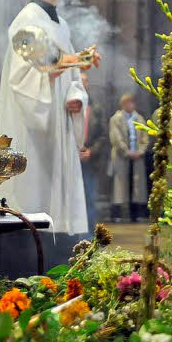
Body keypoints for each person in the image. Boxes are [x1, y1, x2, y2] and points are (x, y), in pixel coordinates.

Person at [0, 0, 101, 277]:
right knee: (32, 205)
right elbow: (27, 78)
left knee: (58, 215)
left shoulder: (61, 25)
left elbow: (67, 76)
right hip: (32, 138)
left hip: (58, 136)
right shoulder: (26, 22)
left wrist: (76, 96)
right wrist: (70, 64)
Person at [108, 93, 150, 223]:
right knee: (120, 186)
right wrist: (126, 151)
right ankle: (117, 214)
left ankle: (135, 214)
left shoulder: (139, 118)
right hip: (122, 157)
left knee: (136, 186)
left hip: (137, 157)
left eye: (132, 102)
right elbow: (116, 137)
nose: (130, 105)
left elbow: (145, 137)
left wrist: (140, 151)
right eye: (128, 103)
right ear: (123, 104)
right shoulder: (116, 119)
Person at [78, 72, 108, 228]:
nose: (83, 84)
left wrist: (91, 151)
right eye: (80, 81)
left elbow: (103, 135)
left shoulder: (96, 108)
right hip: (71, 160)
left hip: (90, 160)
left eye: (85, 81)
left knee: (90, 197)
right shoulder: (69, 106)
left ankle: (89, 234)